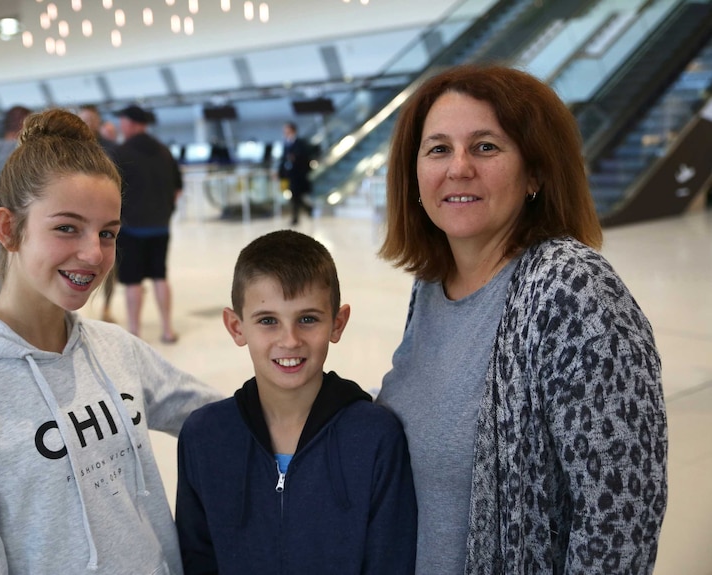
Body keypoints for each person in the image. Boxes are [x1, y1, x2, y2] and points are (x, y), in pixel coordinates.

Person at [0, 109, 223, 574]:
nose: (93, 253)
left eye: (107, 232)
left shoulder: (116, 349)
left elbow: (220, 418)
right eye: (67, 227)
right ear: (8, 229)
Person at [377, 64, 668, 574]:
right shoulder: (430, 287)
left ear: (535, 172)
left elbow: (618, 518)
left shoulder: (572, 290)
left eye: (486, 146)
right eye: (438, 148)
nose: (458, 167)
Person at [175, 229, 417, 574]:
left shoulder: (375, 436)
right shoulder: (205, 437)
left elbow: (390, 561)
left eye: (307, 319)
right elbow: (197, 558)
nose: (289, 340)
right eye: (268, 321)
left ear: (338, 322)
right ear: (236, 326)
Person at [113, 104, 182, 343]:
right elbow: (178, 189)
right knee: (160, 276)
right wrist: (166, 213)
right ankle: (167, 329)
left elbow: (113, 190)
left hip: (131, 228)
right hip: (160, 226)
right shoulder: (164, 151)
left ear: (131, 123)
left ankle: (134, 332)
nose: (121, 125)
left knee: (133, 281)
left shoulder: (121, 152)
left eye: (122, 121)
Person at [78, 103, 118, 322]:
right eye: (84, 119)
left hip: (106, 217)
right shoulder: (70, 149)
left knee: (109, 266)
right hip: (78, 215)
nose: (88, 123)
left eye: (92, 119)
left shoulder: (110, 148)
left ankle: (107, 307)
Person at [277, 122, 313, 225]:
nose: (285, 132)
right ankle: (308, 209)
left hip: (299, 175)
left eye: (287, 130)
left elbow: (306, 157)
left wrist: (296, 158)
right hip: (290, 175)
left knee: (296, 196)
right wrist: (280, 173)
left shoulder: (301, 143)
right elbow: (283, 160)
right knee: (295, 196)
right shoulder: (286, 143)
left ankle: (296, 217)